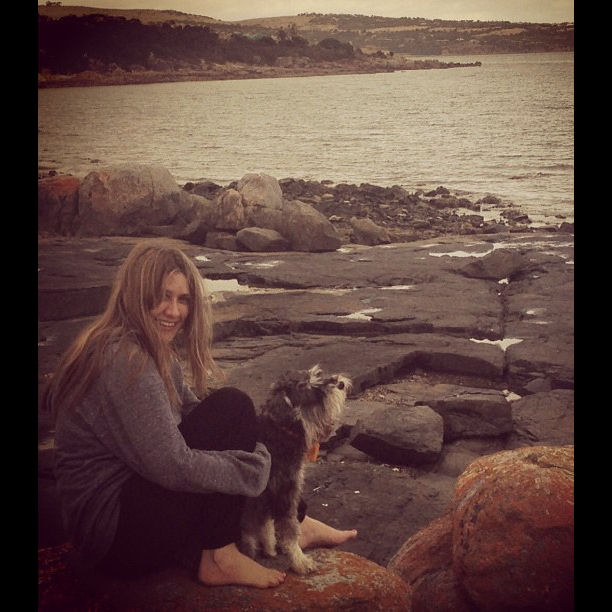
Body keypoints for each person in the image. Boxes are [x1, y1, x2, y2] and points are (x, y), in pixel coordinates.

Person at [42, 239, 356, 589]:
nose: (174, 311)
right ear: (135, 295)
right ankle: (220, 556)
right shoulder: (125, 359)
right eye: (162, 297)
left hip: (126, 520)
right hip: (115, 540)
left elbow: (196, 413)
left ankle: (295, 516)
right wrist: (251, 469)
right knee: (235, 407)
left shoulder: (148, 350)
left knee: (238, 418)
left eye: (183, 299)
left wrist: (254, 452)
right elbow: (172, 464)